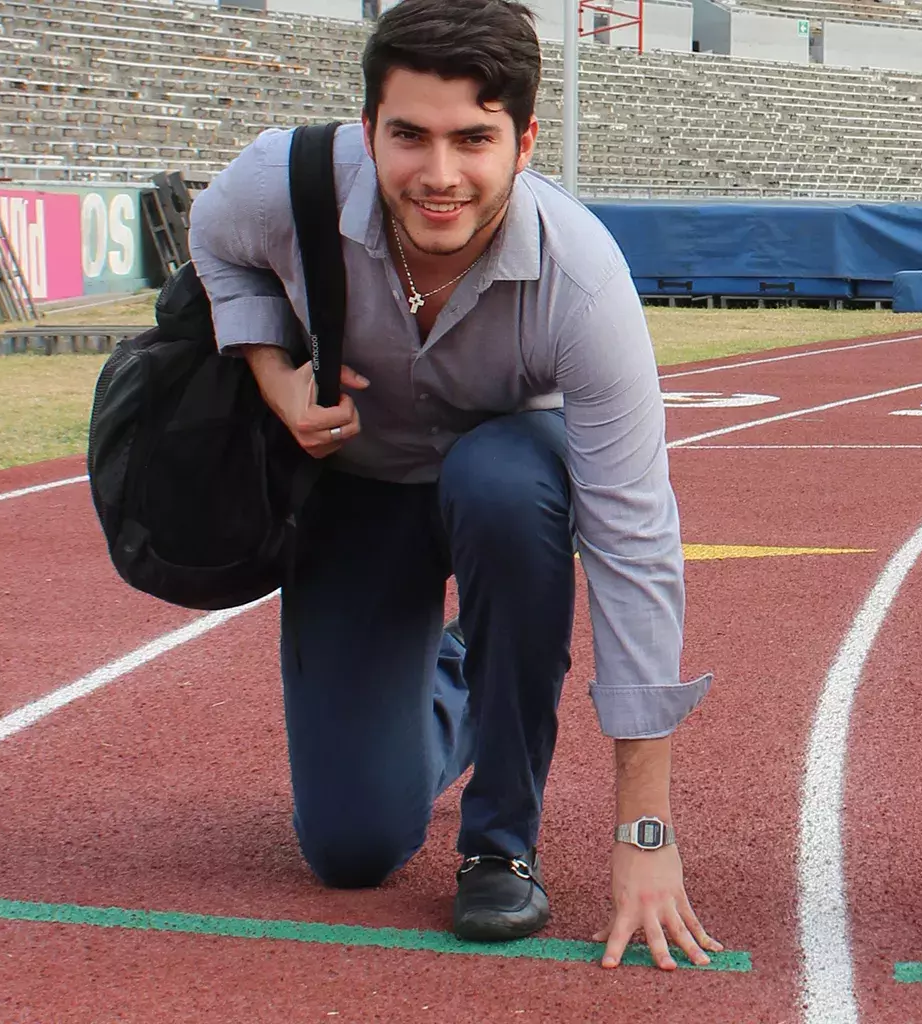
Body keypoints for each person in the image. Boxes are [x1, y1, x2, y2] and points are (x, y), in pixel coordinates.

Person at [185, 0, 722, 972]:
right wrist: (276, 378)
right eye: (411, 137)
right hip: (357, 483)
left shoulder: (583, 281)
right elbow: (216, 242)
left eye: (473, 138)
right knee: (350, 849)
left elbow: (633, 538)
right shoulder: (283, 182)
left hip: (505, 482)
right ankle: (471, 663)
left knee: (505, 484)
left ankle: (501, 843)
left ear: (522, 143)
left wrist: (645, 833)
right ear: (368, 132)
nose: (439, 175)